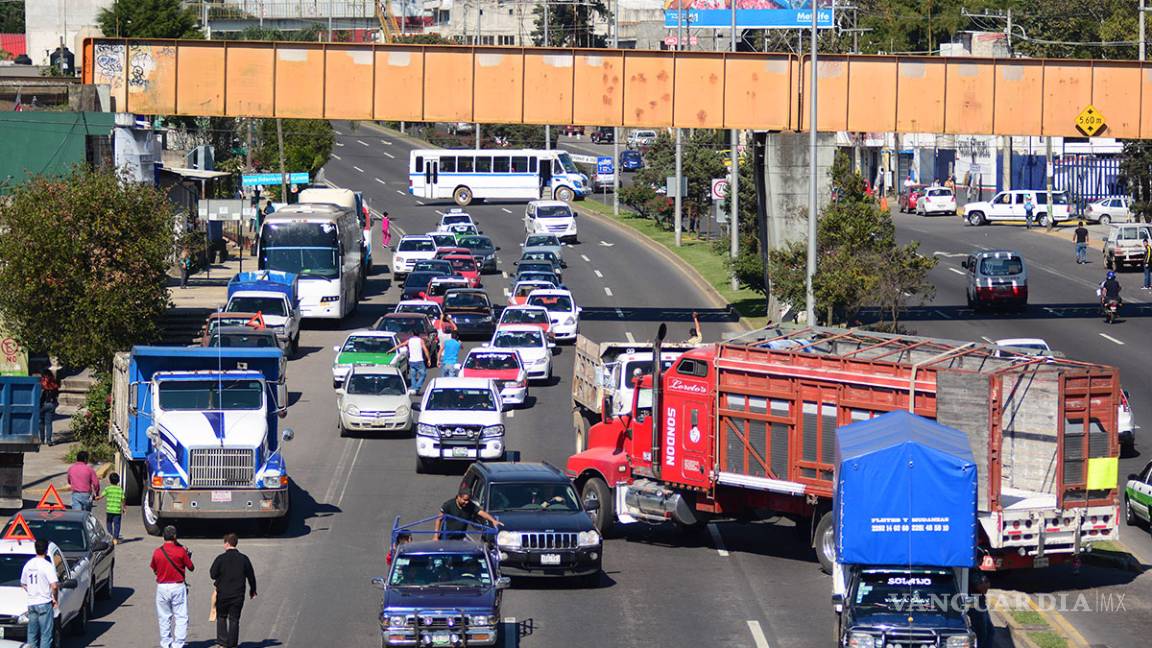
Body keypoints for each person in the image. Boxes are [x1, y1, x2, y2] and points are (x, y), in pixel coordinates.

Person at [210, 533, 257, 648]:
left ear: (227, 543)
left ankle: (222, 643)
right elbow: (251, 575)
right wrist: (253, 590)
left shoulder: (220, 558)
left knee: (221, 617)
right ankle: (233, 644)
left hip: (223, 594)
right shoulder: (244, 559)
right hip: (238, 595)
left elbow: (212, 574)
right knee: (234, 619)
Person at [151, 525, 194, 648]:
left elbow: (154, 569)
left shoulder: (157, 552)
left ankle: (166, 643)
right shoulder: (181, 551)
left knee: (164, 617)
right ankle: (178, 644)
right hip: (177, 586)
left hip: (162, 587)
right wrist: (186, 555)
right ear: (174, 537)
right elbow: (191, 567)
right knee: (181, 616)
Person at [20, 538, 57, 648]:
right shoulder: (47, 565)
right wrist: (54, 598)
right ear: (46, 551)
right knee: (46, 635)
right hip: (44, 602)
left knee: (32, 635)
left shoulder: (28, 564)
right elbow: (54, 585)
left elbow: (23, 583)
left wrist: (32, 591)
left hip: (32, 603)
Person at [435, 487, 503, 539]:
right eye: (464, 500)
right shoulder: (448, 505)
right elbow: (439, 519)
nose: (466, 502)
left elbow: (481, 513)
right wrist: (436, 535)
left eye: (468, 500)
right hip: (447, 537)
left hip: (460, 537)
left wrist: (493, 520)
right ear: (458, 497)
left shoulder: (470, 505)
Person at [101, 472, 124, 543]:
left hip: (109, 510)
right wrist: (124, 507)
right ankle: (115, 538)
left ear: (110, 480)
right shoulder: (120, 489)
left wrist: (97, 497)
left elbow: (101, 496)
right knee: (117, 525)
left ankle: (111, 535)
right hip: (117, 510)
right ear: (118, 481)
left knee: (109, 523)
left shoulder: (107, 489)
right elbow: (123, 499)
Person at [38, 368, 59, 446]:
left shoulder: (41, 383)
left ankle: (42, 440)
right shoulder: (54, 383)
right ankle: (49, 440)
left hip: (42, 405)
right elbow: (57, 394)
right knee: (49, 423)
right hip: (51, 404)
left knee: (41, 423)